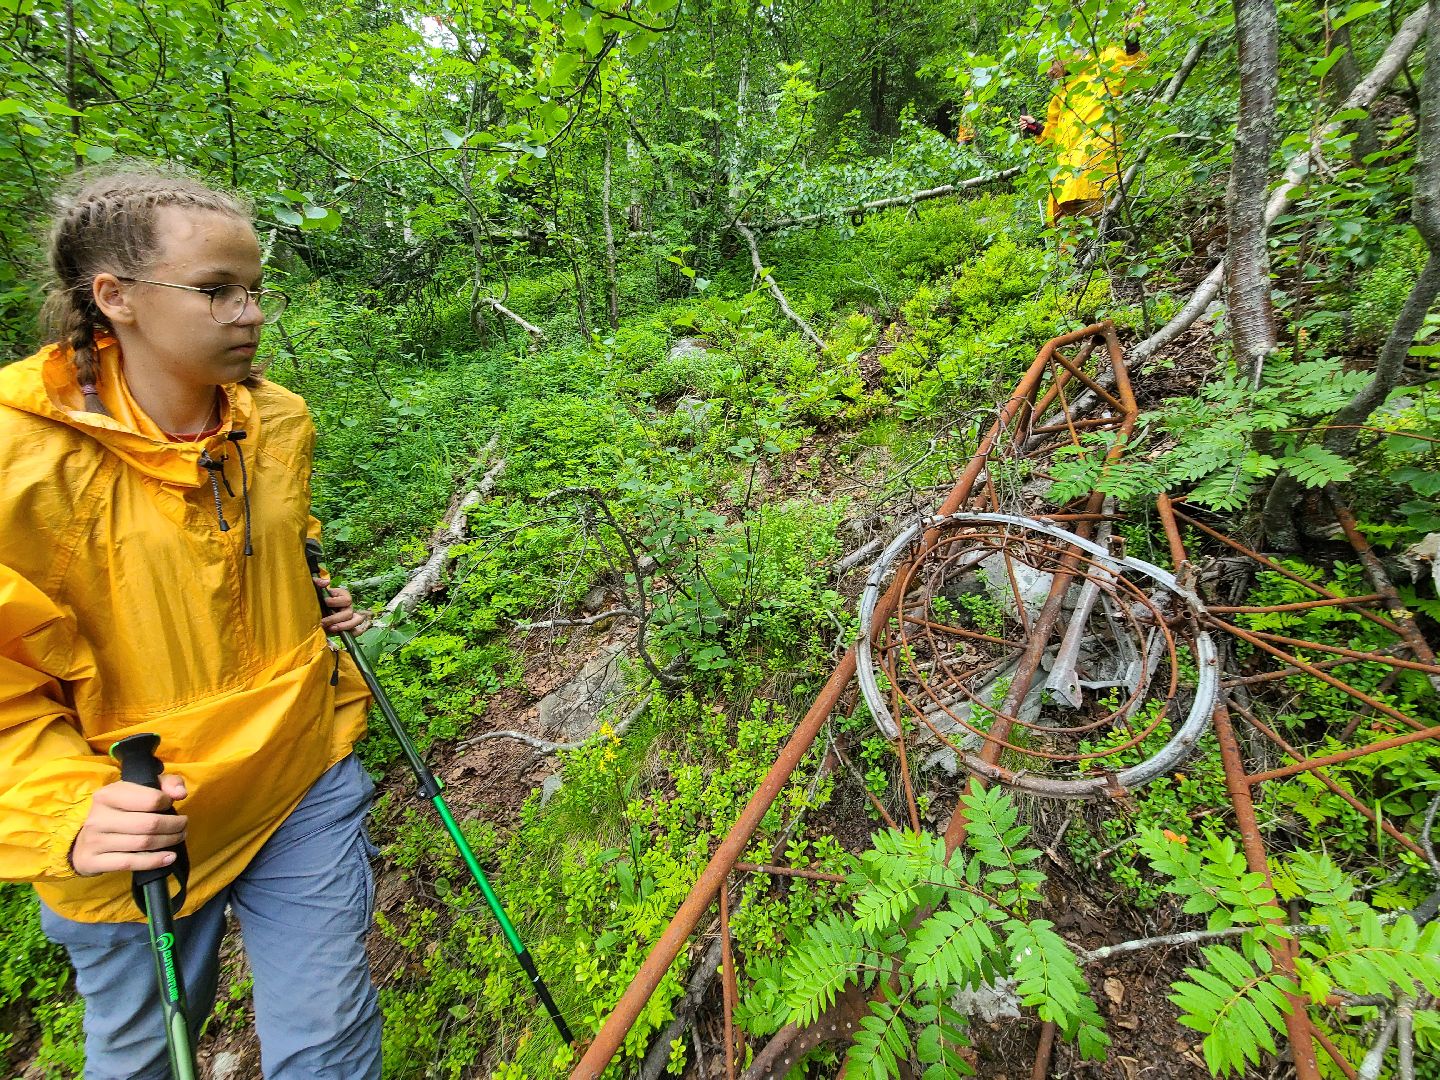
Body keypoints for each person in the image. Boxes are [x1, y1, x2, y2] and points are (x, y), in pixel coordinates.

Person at [0, 165, 379, 1079]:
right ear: (115, 297)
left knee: (329, 1040)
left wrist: (307, 597)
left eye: (253, 288)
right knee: (141, 1061)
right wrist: (65, 810)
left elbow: (278, 539)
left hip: (300, 772)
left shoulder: (276, 420)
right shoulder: (22, 462)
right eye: (215, 290)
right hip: (137, 825)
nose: (250, 313)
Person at [1020, 35, 1146, 226]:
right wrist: (1036, 128)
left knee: (1099, 223)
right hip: (1067, 179)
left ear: (1066, 54)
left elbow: (1134, 73)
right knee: (1067, 227)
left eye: (1051, 64)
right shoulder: (1060, 96)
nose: (1049, 72)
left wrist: (1132, 46)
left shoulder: (1103, 65)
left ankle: (1115, 238)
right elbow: (1056, 136)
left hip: (1095, 166)